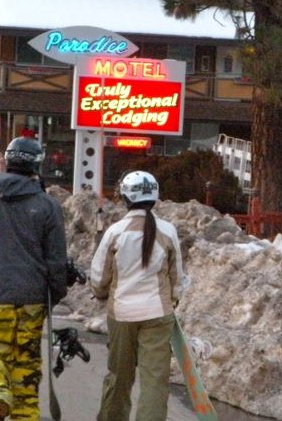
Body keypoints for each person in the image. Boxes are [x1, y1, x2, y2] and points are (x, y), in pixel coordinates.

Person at [0, 136, 68, 421]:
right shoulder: (48, 206)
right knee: (26, 369)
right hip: (32, 300)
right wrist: (54, 295)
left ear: (7, 162)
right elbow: (56, 260)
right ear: (37, 167)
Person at [90, 170, 185, 421]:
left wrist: (99, 294)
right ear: (155, 198)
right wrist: (172, 301)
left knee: (119, 377)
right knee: (155, 381)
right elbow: (177, 278)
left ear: (125, 198)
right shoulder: (168, 231)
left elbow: (99, 278)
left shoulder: (115, 232)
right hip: (158, 314)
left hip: (122, 314)